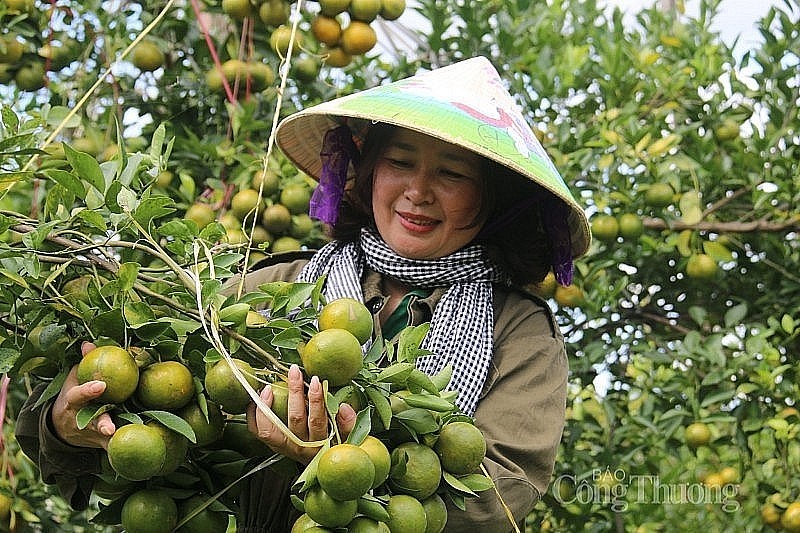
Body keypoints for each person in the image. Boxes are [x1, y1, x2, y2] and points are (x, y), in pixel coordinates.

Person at [15, 56, 590, 532]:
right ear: (366, 175)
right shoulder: (278, 285)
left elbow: (501, 497)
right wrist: (66, 427)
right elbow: (152, 397)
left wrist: (347, 466)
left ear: (490, 201)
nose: (418, 191)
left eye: (453, 175)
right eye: (399, 162)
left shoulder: (519, 333)